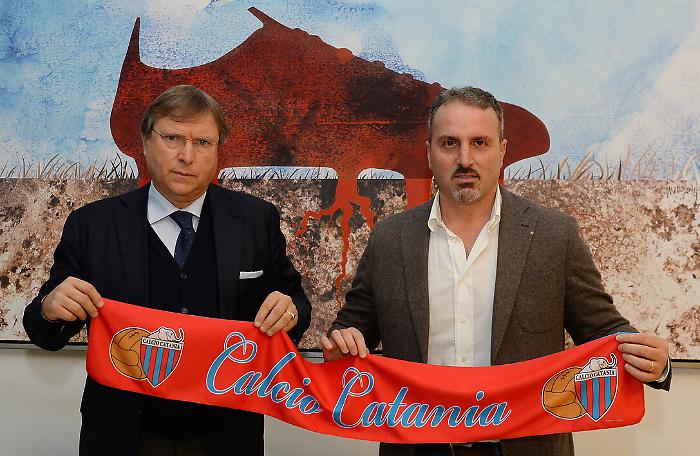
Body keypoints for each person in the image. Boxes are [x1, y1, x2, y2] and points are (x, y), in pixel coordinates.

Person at [321, 87, 671, 456]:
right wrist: (340, 345)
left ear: (502, 151)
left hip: (526, 448)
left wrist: (656, 362)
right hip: (418, 447)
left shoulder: (554, 234)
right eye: (449, 143)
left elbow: (602, 331)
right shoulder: (389, 238)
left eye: (480, 143)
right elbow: (350, 330)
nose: (464, 159)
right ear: (429, 152)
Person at [23, 85, 311, 456]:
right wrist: (49, 309)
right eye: (172, 138)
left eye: (203, 143)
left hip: (228, 435)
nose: (187, 156)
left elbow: (296, 303)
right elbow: (44, 331)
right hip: (123, 436)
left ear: (218, 152)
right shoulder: (92, 225)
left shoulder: (256, 220)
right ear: (145, 142)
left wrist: (289, 311)